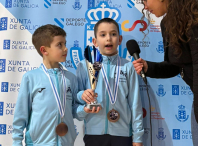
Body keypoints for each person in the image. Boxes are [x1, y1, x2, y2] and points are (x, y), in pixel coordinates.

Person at [133, 0, 198, 145]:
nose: (145, 6)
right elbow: (174, 66)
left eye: (146, 0)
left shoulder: (194, 16)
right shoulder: (168, 23)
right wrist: (148, 67)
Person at [76, 18, 144, 146]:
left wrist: (138, 137)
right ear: (95, 41)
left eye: (113, 34)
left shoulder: (128, 67)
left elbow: (135, 104)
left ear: (119, 39)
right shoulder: (84, 66)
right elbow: (75, 102)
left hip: (123, 135)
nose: (108, 38)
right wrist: (82, 98)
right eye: (103, 35)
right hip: (93, 134)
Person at [12, 24, 84, 146]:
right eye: (59, 45)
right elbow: (21, 115)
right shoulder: (31, 78)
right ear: (44, 50)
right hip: (38, 143)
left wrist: (85, 110)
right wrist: (17, 142)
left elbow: (75, 111)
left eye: (65, 44)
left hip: (66, 142)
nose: (66, 48)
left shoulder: (71, 78)